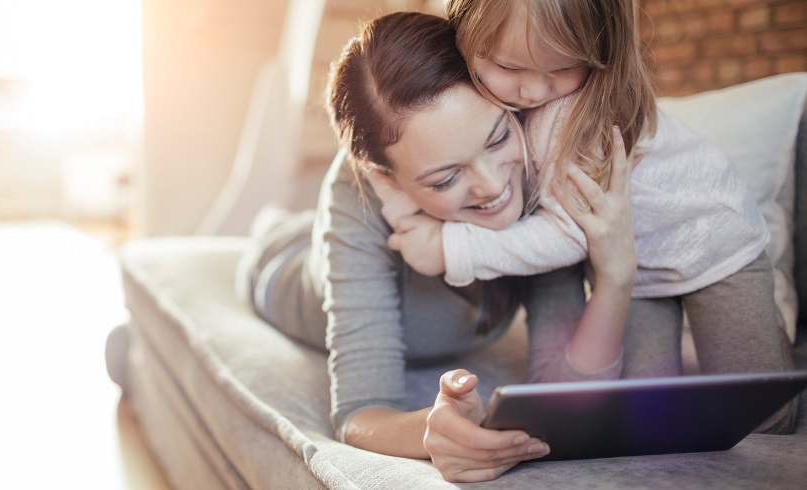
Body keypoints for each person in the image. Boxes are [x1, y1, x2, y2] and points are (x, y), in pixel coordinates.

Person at [237, 11, 636, 482]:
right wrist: (431, 430)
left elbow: (567, 389)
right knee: (274, 237)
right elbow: (359, 412)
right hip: (285, 269)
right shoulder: (358, 193)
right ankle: (273, 226)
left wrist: (615, 279)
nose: (493, 186)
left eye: (497, 137)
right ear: (387, 180)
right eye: (446, 177)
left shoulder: (537, 154)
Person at [380, 0, 797, 434]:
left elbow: (572, 236)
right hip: (636, 268)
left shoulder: (571, 118)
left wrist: (454, 248)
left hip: (712, 243)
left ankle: (770, 331)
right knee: (647, 410)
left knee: (766, 418)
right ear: (466, 33)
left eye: (562, 68)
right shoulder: (477, 105)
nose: (534, 91)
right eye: (510, 66)